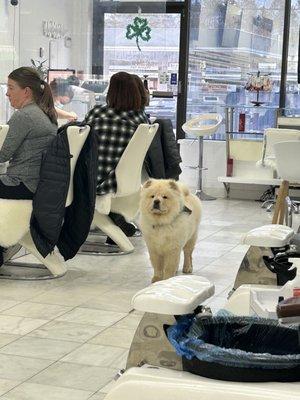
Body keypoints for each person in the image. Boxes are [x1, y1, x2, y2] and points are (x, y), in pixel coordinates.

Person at [0, 66, 58, 264]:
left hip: (20, 183)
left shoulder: (24, 116)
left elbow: (2, 154)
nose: (7, 93)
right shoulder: (45, 113)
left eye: (10, 87)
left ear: (26, 91)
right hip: (35, 183)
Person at [84, 71, 149, 238]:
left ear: (111, 92)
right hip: (123, 180)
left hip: (94, 180)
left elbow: (81, 143)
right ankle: (113, 217)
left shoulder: (97, 113)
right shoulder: (141, 120)